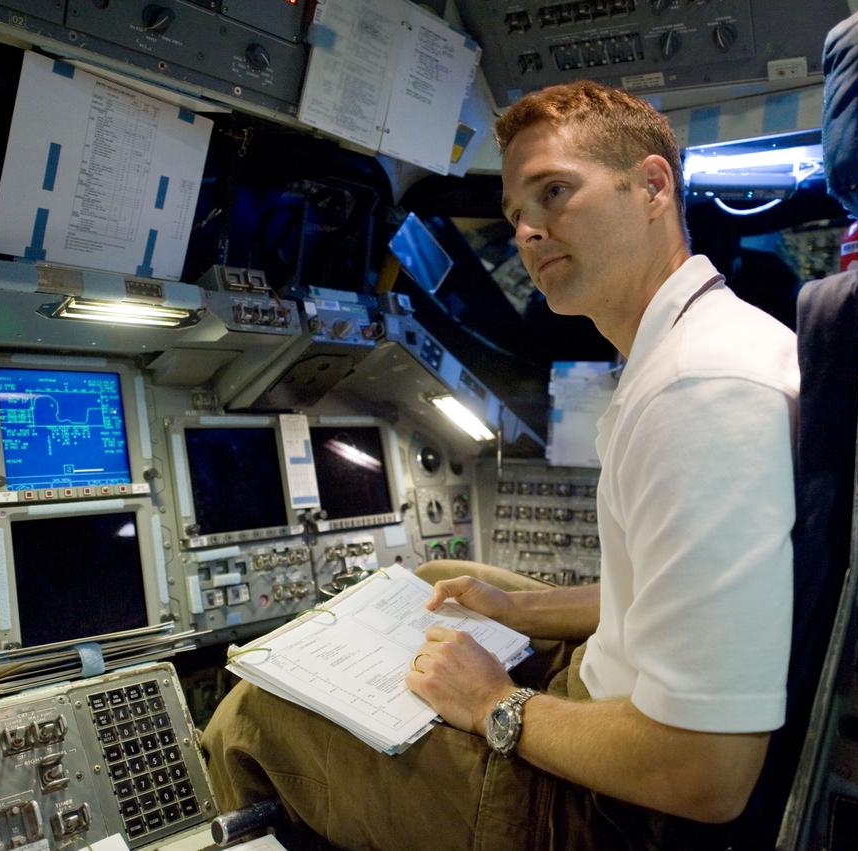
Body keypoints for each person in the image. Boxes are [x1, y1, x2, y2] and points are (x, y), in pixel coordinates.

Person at [201, 80, 800, 850]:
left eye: (556, 192)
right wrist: (516, 612)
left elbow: (704, 771)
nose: (529, 230)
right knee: (431, 588)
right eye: (517, 212)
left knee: (252, 714)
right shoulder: (700, 343)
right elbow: (656, 592)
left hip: (605, 810)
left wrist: (494, 705)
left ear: (652, 186)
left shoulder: (698, 394)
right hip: (614, 694)